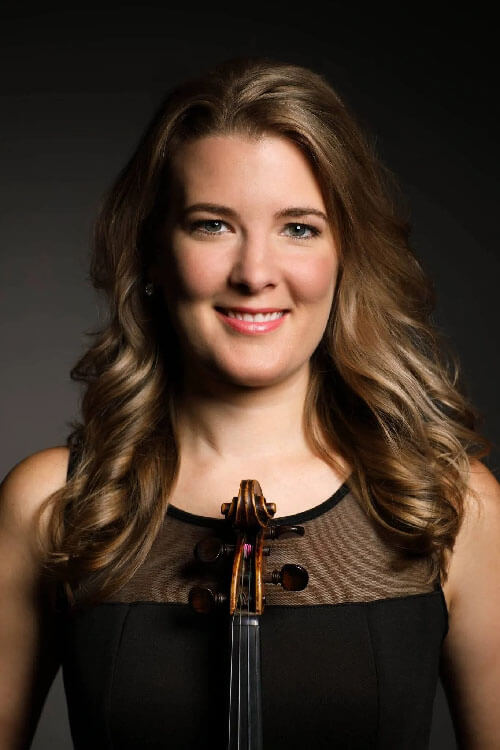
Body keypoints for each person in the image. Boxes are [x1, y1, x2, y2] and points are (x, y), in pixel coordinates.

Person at [0, 55, 499, 749]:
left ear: (344, 254)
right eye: (212, 225)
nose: (255, 273)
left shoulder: (452, 506)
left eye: (299, 227)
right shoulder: (53, 503)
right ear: (153, 253)